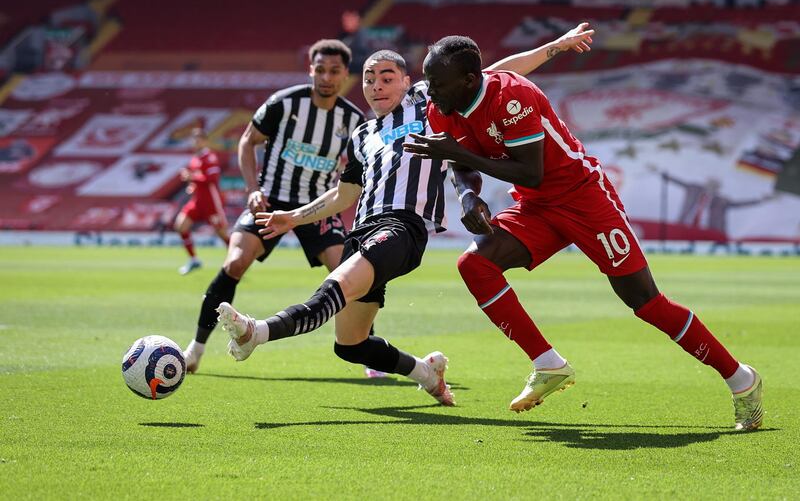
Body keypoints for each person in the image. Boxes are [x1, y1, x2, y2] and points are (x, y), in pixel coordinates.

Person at [215, 25, 596, 406]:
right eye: (369, 78)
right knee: (350, 345)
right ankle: (426, 372)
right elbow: (345, 195)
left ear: (408, 82)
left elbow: (498, 70)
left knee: (337, 286)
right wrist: (293, 218)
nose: (376, 86)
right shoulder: (362, 135)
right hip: (362, 233)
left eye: (386, 77)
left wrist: (556, 46)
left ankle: (256, 332)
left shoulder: (427, 103)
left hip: (402, 228)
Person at [401, 35, 763, 430]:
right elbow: (458, 159)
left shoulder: (512, 97)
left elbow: (529, 170)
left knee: (644, 302)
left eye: (437, 83)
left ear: (470, 79)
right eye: (429, 81)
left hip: (584, 198)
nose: (429, 92)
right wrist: (468, 194)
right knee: (475, 264)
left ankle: (742, 381)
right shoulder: (443, 105)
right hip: (536, 206)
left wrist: (460, 156)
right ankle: (548, 364)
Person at [182, 39, 366, 374]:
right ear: (311, 70)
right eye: (320, 69)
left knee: (350, 277)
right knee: (235, 263)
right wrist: (253, 189)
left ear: (344, 75)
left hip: (316, 208)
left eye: (334, 71)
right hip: (272, 199)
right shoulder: (284, 103)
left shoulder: (353, 120)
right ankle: (195, 348)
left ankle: (368, 351)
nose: (326, 76)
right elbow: (247, 141)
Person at [174, 124, 230, 275]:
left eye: (198, 140)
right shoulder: (195, 159)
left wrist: (192, 177)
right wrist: (192, 185)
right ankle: (194, 260)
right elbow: (198, 180)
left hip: (211, 202)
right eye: (193, 140)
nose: (195, 142)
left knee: (222, 234)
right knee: (181, 225)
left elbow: (213, 178)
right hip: (197, 202)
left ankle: (238, 261)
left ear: (205, 141)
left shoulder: (209, 157)